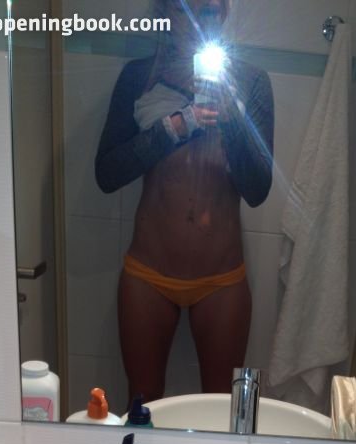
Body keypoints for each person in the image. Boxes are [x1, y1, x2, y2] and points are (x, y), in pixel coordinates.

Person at [95, 0, 274, 405]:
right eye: (183, 10)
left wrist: (231, 118)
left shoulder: (251, 81)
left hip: (221, 280)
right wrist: (176, 126)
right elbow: (107, 174)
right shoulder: (139, 76)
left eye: (208, 10)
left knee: (222, 408)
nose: (196, 22)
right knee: (143, 405)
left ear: (223, 12)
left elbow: (257, 189)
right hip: (148, 274)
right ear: (164, 14)